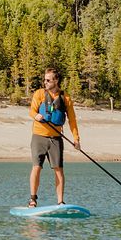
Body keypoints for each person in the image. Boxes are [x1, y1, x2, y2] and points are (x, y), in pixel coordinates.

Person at [28, 67, 80, 207]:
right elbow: (31, 111)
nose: (45, 82)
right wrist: (36, 115)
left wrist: (76, 139)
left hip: (56, 139)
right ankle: (33, 200)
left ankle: (60, 202)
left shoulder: (65, 98)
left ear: (56, 81)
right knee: (37, 167)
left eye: (48, 80)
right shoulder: (39, 94)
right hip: (39, 137)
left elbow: (72, 120)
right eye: (44, 80)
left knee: (58, 170)